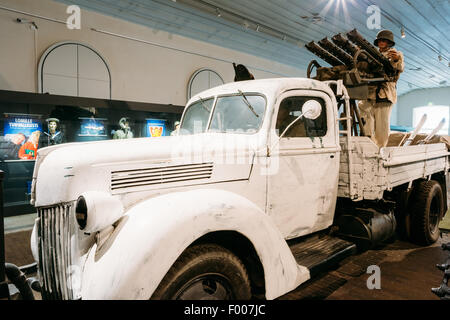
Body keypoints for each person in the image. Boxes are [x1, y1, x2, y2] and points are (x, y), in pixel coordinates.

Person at [358, 29, 404, 148]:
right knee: (363, 112)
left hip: (385, 93)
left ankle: (380, 149)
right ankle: (368, 144)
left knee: (382, 127)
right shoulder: (371, 54)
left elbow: (399, 66)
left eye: (384, 40)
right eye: (380, 40)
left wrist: (395, 59)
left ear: (389, 42)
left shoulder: (395, 54)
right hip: (370, 92)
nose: (381, 42)